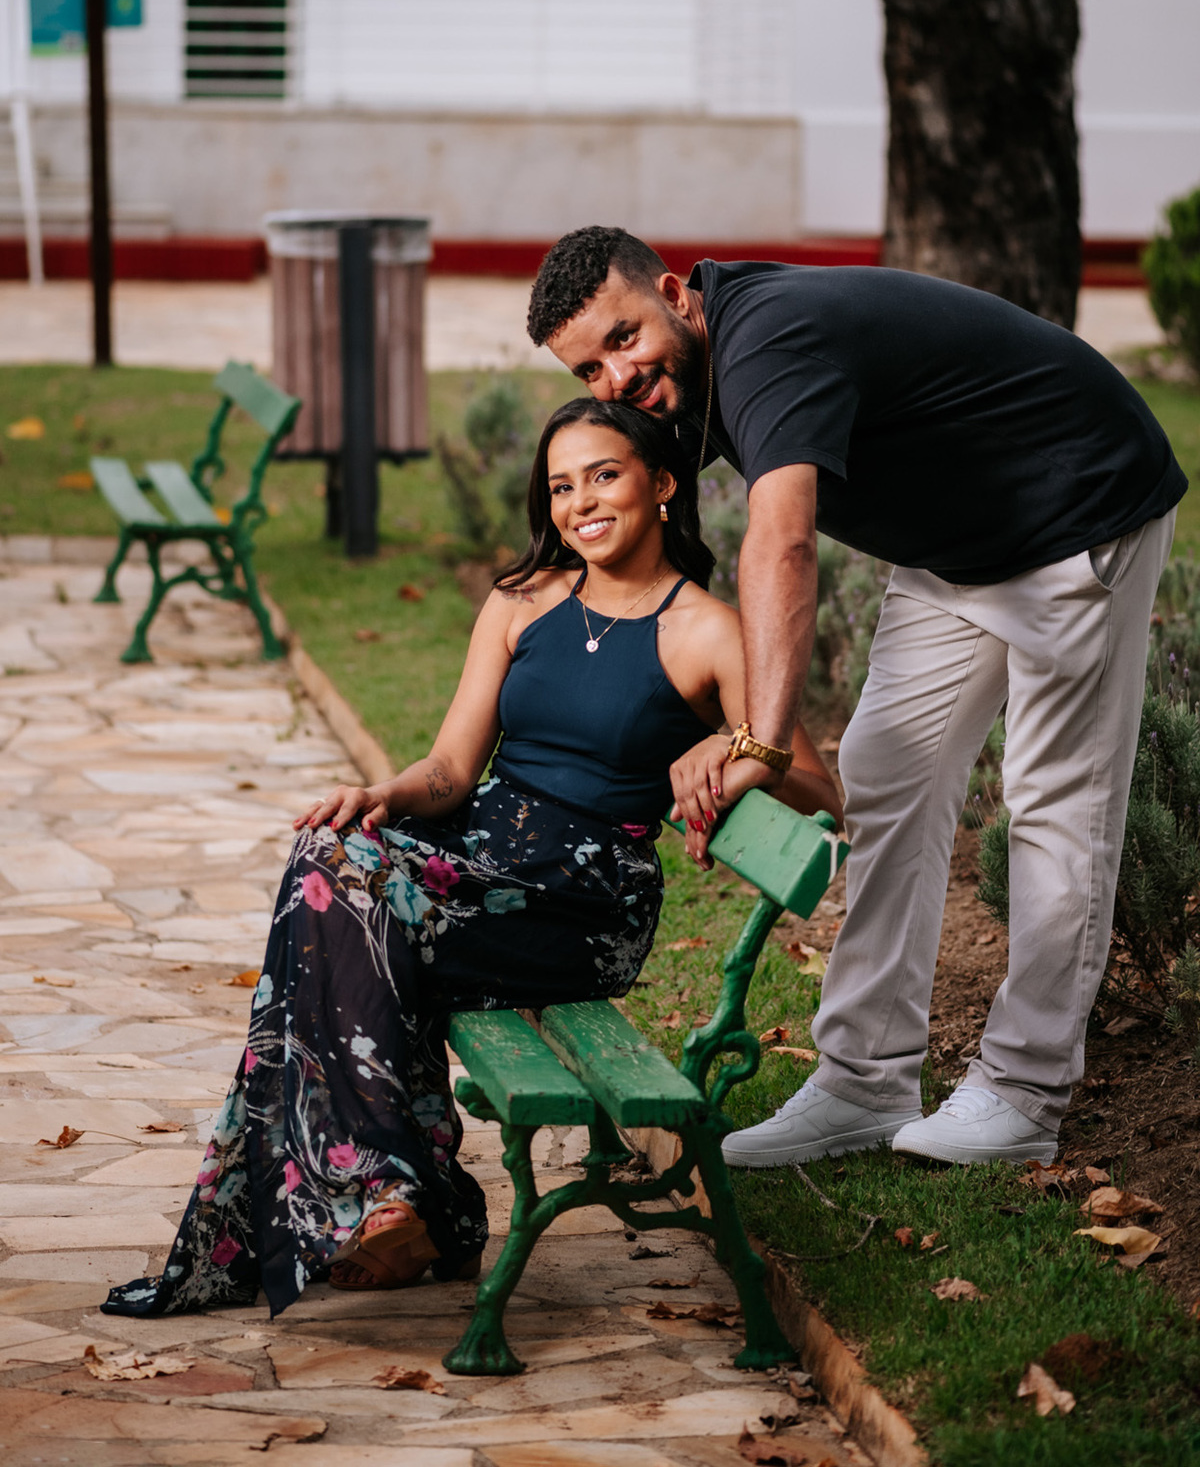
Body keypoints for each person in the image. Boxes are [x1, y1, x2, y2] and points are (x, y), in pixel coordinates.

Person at [101, 396, 838, 1321]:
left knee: (347, 902)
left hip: (582, 897)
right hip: (477, 857)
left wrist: (734, 746)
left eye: (603, 476)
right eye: (561, 486)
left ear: (661, 485)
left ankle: (400, 1194)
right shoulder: (523, 600)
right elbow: (452, 769)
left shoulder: (708, 630)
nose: (580, 503)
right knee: (329, 854)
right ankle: (405, 1199)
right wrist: (381, 795)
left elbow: (821, 789)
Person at [527, 225, 1186, 1170]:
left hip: (1075, 506)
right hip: (955, 547)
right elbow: (649, 532)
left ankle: (1023, 1093)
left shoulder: (765, 341)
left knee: (1054, 804)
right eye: (589, 368)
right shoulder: (681, 378)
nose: (616, 378)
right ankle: (863, 1080)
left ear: (674, 293)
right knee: (885, 771)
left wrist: (757, 741)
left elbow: (783, 542)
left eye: (623, 339)